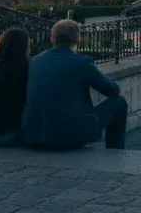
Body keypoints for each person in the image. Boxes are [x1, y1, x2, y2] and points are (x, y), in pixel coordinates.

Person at [21, 19, 128, 150]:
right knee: (119, 102)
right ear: (78, 41)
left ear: (52, 39)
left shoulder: (35, 61)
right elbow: (113, 91)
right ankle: (115, 151)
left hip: (34, 134)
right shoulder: (82, 63)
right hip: (71, 135)